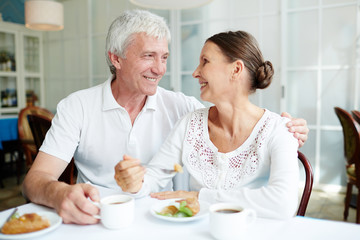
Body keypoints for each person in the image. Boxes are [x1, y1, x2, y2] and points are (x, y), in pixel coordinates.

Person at [22, 10, 308, 225]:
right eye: (149, 56)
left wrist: (287, 129)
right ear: (116, 59)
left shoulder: (183, 108)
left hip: (166, 221)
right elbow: (35, 180)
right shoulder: (78, 107)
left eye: (165, 57)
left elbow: (234, 108)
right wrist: (60, 194)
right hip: (99, 221)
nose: (160, 69)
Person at [115, 30, 300, 219]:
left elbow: (283, 203)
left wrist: (199, 196)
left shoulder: (279, 129)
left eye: (205, 61)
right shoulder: (191, 124)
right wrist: (134, 183)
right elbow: (154, 176)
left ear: (235, 69)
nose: (195, 72)